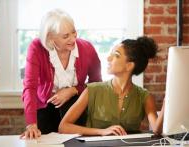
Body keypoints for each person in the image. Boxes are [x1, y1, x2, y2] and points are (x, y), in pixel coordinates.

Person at [20, 9, 102, 139]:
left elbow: (97, 84)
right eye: (65, 36)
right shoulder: (36, 47)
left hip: (75, 107)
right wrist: (31, 124)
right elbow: (30, 87)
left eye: (73, 32)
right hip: (45, 106)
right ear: (50, 37)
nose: (73, 39)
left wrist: (73, 90)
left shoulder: (87, 48)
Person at [58, 36, 164, 136]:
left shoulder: (144, 96)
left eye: (116, 55)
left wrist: (166, 105)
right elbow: (63, 127)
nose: (108, 58)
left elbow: (156, 130)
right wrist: (101, 132)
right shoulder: (93, 90)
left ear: (129, 66)